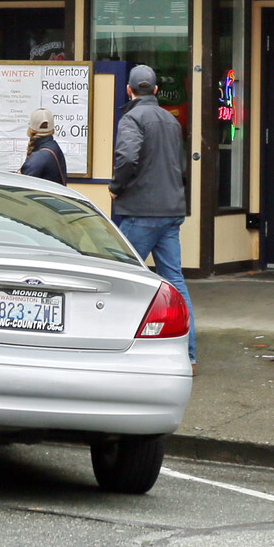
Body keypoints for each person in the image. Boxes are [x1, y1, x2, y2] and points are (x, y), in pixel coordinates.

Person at [109, 64, 193, 363]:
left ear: (129, 90)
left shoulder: (131, 118)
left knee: (117, 275)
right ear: (156, 90)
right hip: (171, 209)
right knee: (174, 280)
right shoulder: (170, 121)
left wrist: (116, 186)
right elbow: (179, 165)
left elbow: (128, 157)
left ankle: (113, 349)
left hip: (142, 210)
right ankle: (188, 355)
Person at [20, 108, 68, 184]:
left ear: (31, 129)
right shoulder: (54, 147)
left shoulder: (39, 157)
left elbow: (24, 187)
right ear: (52, 129)